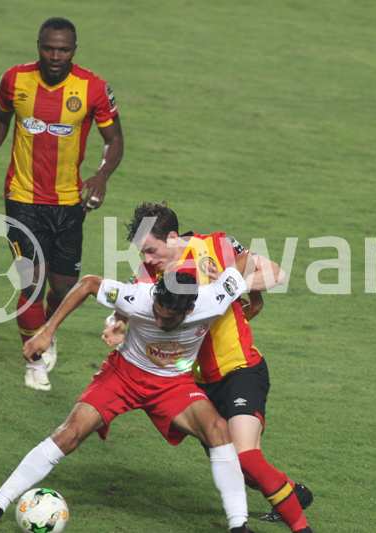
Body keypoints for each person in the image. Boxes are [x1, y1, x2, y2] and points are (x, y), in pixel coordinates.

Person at [0, 253, 260, 533]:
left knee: (218, 429)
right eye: (157, 313)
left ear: (190, 309)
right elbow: (88, 283)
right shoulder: (140, 297)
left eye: (169, 320)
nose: (160, 322)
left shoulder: (214, 298)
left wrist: (235, 279)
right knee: (69, 434)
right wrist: (47, 331)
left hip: (174, 384)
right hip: (123, 376)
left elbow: (247, 256)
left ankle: (239, 525)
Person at [102, 202, 313, 532]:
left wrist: (234, 284)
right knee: (235, 465)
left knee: (245, 456)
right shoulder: (152, 273)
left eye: (149, 250)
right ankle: (293, 493)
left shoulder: (218, 245)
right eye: (142, 252)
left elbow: (277, 273)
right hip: (197, 384)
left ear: (172, 238)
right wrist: (115, 322)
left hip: (241, 369)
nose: (145, 259)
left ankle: (300, 525)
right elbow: (127, 302)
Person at [0, 17, 124, 391]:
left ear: (73, 51)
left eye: (63, 50)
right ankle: (34, 363)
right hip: (22, 198)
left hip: (69, 203)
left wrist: (100, 177)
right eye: (48, 48)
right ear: (38, 46)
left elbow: (114, 140)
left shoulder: (93, 88)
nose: (55, 56)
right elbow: (0, 121)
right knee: (31, 280)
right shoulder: (15, 80)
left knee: (64, 288)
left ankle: (47, 331)